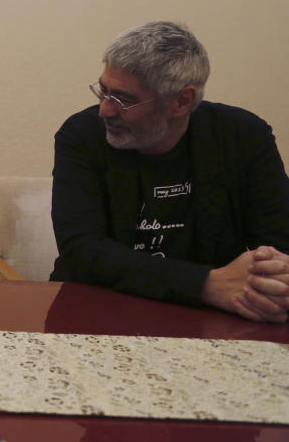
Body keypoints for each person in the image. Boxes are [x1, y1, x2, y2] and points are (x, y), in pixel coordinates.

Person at [51, 21, 289, 322]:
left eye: (123, 99)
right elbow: (82, 252)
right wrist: (206, 284)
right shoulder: (81, 135)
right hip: (93, 315)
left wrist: (271, 279)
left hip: (215, 321)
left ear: (181, 101)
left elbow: (278, 244)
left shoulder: (244, 137)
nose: (105, 111)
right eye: (103, 91)